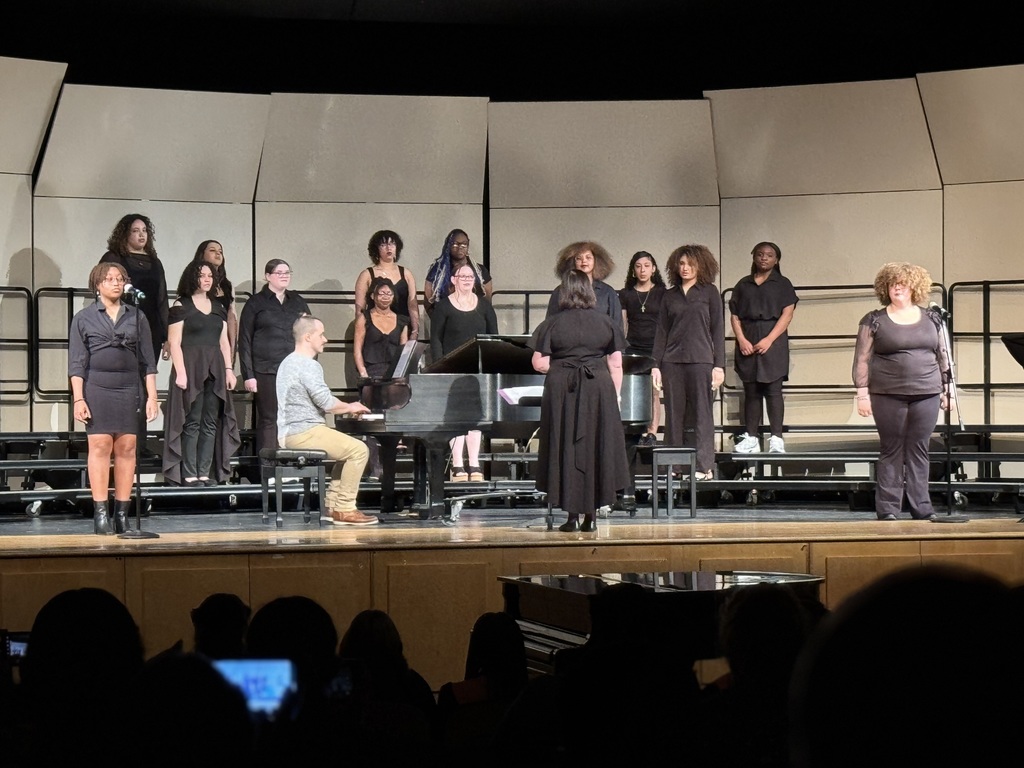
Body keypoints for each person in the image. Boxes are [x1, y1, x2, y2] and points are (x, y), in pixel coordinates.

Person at [529, 268, 629, 532]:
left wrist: (564, 367)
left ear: (565, 291)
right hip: (598, 388)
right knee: (596, 446)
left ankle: (571, 517)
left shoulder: (552, 323)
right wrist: (616, 396)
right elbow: (616, 363)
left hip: (563, 388)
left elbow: (539, 363)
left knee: (566, 445)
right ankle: (591, 517)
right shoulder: (606, 322)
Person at [852, 262, 952, 520]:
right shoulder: (874, 320)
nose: (897, 287)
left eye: (903, 283)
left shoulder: (932, 318)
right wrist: (862, 394)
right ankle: (888, 509)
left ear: (914, 288)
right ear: (885, 288)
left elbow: (942, 354)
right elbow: (862, 359)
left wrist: (948, 388)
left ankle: (922, 508)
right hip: (887, 393)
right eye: (892, 283)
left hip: (927, 391)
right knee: (892, 448)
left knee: (919, 448)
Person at [69, 262, 160, 534]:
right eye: (109, 279)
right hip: (97, 388)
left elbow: (148, 361)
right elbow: (76, 363)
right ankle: (100, 515)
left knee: (127, 449)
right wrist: (78, 399)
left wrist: (152, 397)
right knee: (99, 448)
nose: (116, 283)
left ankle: (122, 514)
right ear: (97, 285)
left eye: (120, 279)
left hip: (129, 389)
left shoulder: (136, 316)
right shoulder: (83, 318)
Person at [276, 315, 377, 525]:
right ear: (308, 337)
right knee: (359, 450)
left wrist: (346, 408)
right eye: (321, 334)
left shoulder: (287, 361)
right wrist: (350, 406)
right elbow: (326, 403)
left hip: (290, 432)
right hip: (303, 432)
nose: (325, 339)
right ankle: (345, 508)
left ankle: (332, 504)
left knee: (346, 452)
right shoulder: (307, 365)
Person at [651, 244, 726, 481]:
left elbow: (717, 330)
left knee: (703, 415)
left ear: (700, 266)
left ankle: (704, 466)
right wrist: (655, 365)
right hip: (672, 362)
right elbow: (661, 332)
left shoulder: (709, 292)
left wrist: (719, 365)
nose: (685, 268)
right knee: (674, 416)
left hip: (702, 361)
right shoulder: (669, 296)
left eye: (690, 264)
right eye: (682, 263)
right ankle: (674, 466)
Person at [162, 260, 240, 487]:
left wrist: (229, 370)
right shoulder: (181, 305)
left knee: (210, 422)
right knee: (192, 421)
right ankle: (189, 473)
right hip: (190, 367)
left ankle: (205, 473)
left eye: (210, 276)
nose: (206, 279)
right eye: (202, 275)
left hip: (214, 368)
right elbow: (174, 343)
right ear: (192, 278)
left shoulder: (218, 307)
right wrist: (181, 372)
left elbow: (224, 343)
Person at [430, 264, 499, 481]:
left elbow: (493, 338)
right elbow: (436, 339)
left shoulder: (485, 307)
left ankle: (474, 463)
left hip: (477, 372)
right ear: (453, 279)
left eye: (471, 276)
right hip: (452, 371)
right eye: (463, 276)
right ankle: (458, 464)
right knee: (455, 418)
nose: (467, 279)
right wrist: (441, 366)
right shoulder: (443, 307)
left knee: (475, 418)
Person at [729, 241, 798, 454]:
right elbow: (734, 315)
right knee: (751, 391)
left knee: (773, 390)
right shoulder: (743, 284)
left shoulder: (783, 283)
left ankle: (776, 438)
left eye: (769, 255)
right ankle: (751, 437)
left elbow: (787, 313)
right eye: (760, 254)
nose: (764, 258)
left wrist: (769, 339)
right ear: (753, 257)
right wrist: (741, 339)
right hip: (748, 338)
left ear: (776, 259)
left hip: (773, 340)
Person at [238, 259, 311, 461]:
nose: (284, 275)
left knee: (293, 417)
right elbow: (244, 340)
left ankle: (291, 464)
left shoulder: (297, 301)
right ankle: (268, 469)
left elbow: (310, 334)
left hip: (294, 369)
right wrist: (249, 375)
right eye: (279, 272)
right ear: (268, 276)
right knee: (269, 418)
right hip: (266, 369)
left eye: (287, 272)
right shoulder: (256, 303)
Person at [353, 277, 410, 481]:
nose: (385, 297)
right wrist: (363, 373)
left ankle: (390, 471)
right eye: (381, 293)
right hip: (371, 373)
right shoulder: (364, 318)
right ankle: (375, 469)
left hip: (394, 376)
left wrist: (401, 376)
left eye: (389, 293)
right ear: (373, 296)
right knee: (372, 423)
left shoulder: (402, 320)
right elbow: (357, 349)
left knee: (392, 423)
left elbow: (404, 351)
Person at [100, 213, 169, 364]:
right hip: (122, 324)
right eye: (135, 230)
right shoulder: (113, 258)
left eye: (144, 230)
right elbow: (101, 289)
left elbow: (161, 299)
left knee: (147, 373)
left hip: (151, 327)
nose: (141, 234)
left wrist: (167, 336)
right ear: (125, 234)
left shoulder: (155, 262)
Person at [619, 250, 667, 446]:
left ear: (654, 268)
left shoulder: (663, 293)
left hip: (655, 348)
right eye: (638, 266)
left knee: (654, 391)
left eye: (647, 266)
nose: (642, 270)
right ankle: (633, 430)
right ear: (633, 270)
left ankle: (652, 432)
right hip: (633, 348)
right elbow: (623, 324)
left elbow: (666, 324)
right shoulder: (625, 294)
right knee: (631, 389)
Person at [353, 230, 420, 340]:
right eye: (383, 245)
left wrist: (415, 331)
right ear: (376, 249)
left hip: (402, 329)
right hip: (375, 331)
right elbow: (359, 308)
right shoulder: (366, 275)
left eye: (392, 244)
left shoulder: (406, 274)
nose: (389, 248)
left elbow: (412, 305)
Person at [545, 240, 623, 331]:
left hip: (601, 343)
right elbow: (550, 323)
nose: (584, 261)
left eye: (588, 257)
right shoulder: (560, 291)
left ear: (596, 261)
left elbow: (617, 326)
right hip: (568, 342)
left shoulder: (607, 292)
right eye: (579, 258)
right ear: (572, 263)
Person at [424, 228, 493, 314]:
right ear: (448, 246)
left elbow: (487, 302)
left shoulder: (480, 271)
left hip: (475, 319)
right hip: (445, 319)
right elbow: (429, 301)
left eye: (464, 244)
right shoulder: (437, 271)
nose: (460, 248)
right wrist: (439, 320)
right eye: (455, 244)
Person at [191, 239, 238, 361]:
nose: (218, 254)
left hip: (222, 341)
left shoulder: (227, 285)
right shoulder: (192, 282)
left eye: (220, 251)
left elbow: (231, 316)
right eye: (212, 250)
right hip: (198, 340)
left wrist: (232, 347)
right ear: (202, 254)